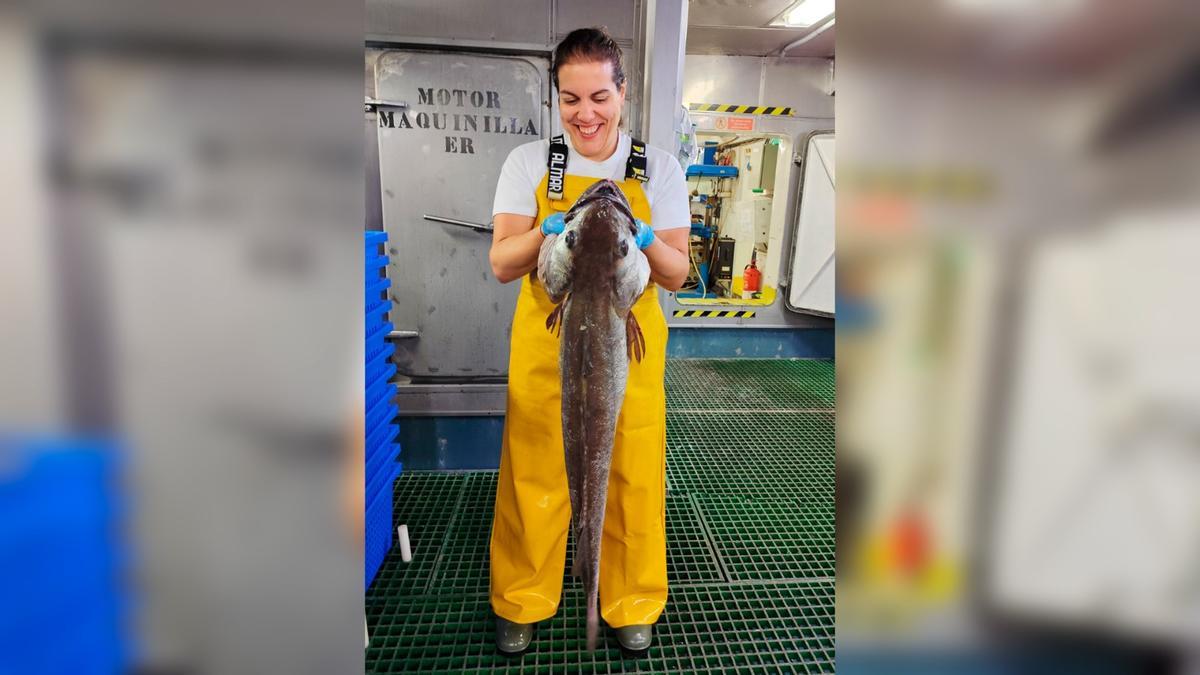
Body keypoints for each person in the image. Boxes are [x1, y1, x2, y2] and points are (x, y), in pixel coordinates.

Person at [487, 27, 690, 655]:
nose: (586, 115)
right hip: (548, 347)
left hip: (627, 347)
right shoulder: (530, 163)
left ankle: (629, 600)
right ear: (556, 98)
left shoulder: (658, 167)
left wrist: (644, 235)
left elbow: (677, 273)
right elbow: (502, 262)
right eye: (570, 99)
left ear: (623, 93)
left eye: (599, 96)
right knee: (535, 470)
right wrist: (552, 231)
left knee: (630, 470)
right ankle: (523, 597)